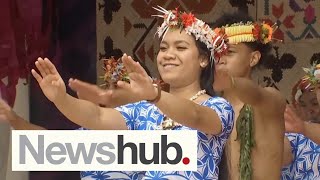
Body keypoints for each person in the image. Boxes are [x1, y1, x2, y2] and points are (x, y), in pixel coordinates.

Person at [31, 7, 234, 179]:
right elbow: (97, 116)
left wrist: (156, 95)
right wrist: (61, 98)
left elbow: (195, 116)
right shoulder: (143, 110)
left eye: (180, 47)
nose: (168, 55)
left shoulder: (218, 107)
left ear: (204, 60)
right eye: (163, 48)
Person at [212, 12, 286, 180]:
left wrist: (231, 82)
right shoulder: (208, 109)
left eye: (229, 52)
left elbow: (256, 95)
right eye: (216, 53)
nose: (220, 59)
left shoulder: (269, 101)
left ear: (253, 58)